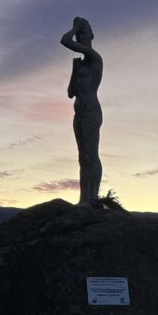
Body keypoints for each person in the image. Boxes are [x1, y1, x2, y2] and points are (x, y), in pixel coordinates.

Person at [61, 17, 104, 205]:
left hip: (91, 110)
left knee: (91, 154)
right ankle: (83, 197)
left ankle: (92, 197)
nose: (80, 37)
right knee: (82, 157)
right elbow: (71, 93)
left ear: (92, 35)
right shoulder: (81, 65)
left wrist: (75, 27)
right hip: (78, 111)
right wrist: (74, 70)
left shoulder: (95, 58)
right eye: (79, 34)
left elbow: (65, 41)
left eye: (83, 33)